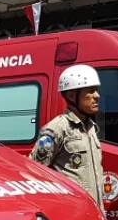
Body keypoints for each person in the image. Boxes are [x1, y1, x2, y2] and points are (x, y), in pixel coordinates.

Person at [29, 64, 105, 206]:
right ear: (71, 96)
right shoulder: (56, 129)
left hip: (94, 212)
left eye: (97, 90)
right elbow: (35, 172)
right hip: (72, 213)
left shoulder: (91, 128)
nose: (97, 96)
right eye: (91, 91)